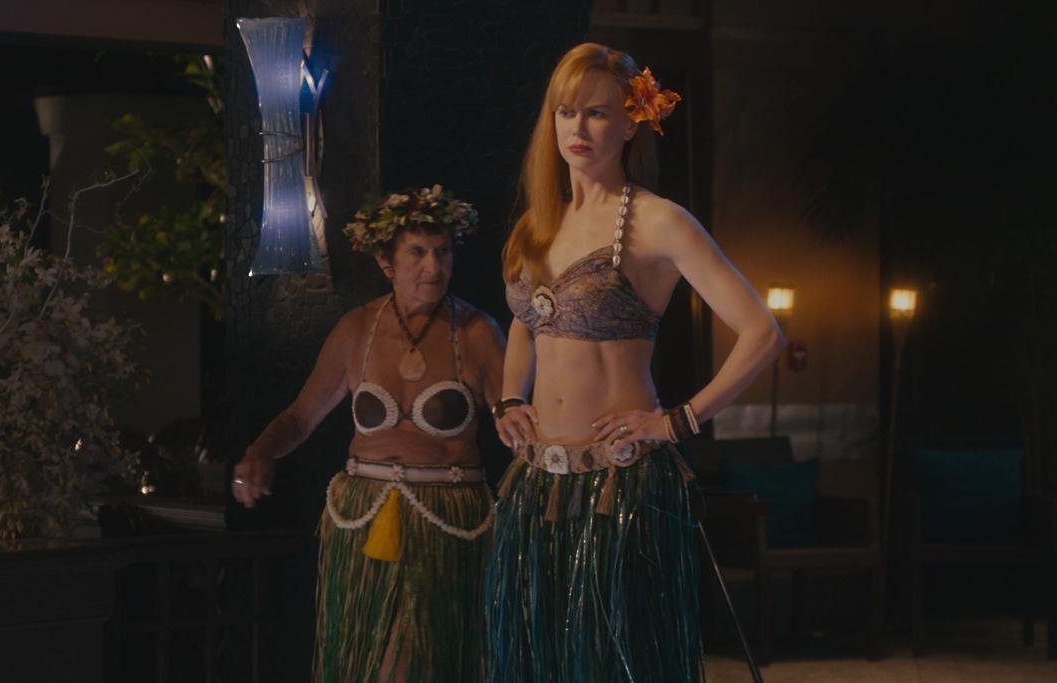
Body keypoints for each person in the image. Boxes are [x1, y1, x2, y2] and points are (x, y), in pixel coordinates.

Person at [487, 43, 785, 682]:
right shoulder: (538, 224)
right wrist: (511, 396)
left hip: (620, 483)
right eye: (566, 112)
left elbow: (762, 333)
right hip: (539, 482)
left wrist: (679, 421)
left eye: (597, 113)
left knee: (615, 661)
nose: (578, 128)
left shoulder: (658, 222)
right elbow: (527, 320)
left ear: (630, 123)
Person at [233, 186, 505, 682]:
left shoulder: (477, 331)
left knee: (432, 660)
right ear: (386, 263)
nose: (434, 267)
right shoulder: (357, 329)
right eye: (417, 252)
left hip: (447, 515)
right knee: (374, 657)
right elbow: (301, 417)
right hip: (365, 511)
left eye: (443, 252)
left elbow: (516, 418)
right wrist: (261, 452)